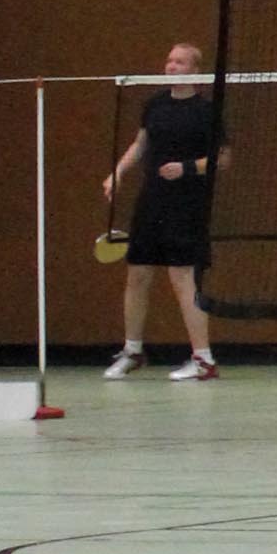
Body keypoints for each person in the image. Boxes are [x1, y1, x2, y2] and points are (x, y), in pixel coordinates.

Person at [102, 41, 223, 380]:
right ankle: (132, 351)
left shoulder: (206, 112)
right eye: (170, 60)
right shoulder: (155, 104)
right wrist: (118, 172)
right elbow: (141, 143)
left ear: (195, 71)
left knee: (183, 278)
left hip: (187, 203)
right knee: (137, 274)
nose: (171, 66)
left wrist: (186, 168)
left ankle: (203, 360)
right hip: (151, 200)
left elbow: (222, 158)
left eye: (180, 62)